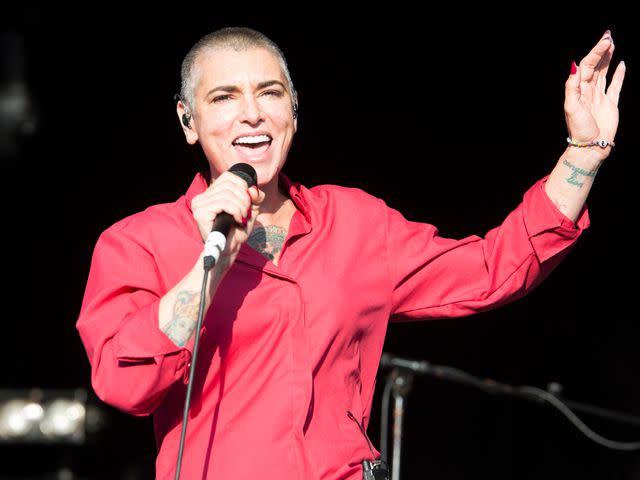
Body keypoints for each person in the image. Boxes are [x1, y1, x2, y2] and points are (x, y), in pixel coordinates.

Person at [76, 26, 625, 480]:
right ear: (187, 121)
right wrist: (211, 264)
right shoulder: (139, 241)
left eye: (270, 93)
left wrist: (584, 152)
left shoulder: (356, 224)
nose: (252, 114)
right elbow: (126, 385)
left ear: (293, 109)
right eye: (224, 98)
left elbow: (490, 269)